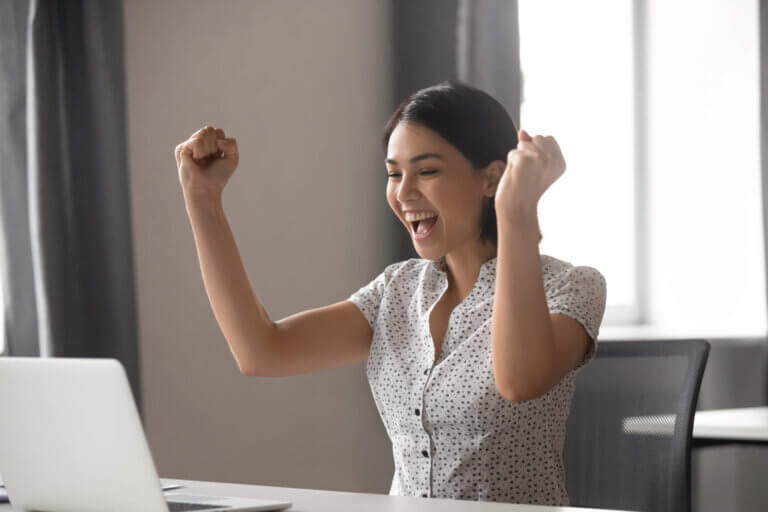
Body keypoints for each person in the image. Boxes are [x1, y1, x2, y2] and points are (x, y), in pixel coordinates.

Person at [174, 81, 607, 506]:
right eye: (394, 173)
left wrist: (517, 211)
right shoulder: (397, 291)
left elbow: (519, 379)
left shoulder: (572, 287)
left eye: (427, 171)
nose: (403, 193)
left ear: (492, 179)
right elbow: (261, 351)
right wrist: (203, 200)